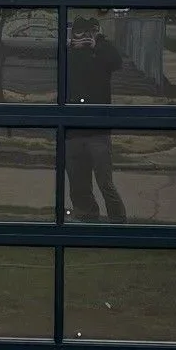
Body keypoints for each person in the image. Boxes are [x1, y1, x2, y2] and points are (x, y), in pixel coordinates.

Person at [66, 15, 126, 221]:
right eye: (79, 34)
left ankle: (118, 223)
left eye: (89, 33)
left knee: (105, 183)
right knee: (77, 182)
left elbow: (117, 62)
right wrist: (72, 47)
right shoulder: (71, 54)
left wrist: (98, 43)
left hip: (98, 131)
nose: (83, 38)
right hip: (73, 131)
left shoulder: (101, 53)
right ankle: (87, 218)